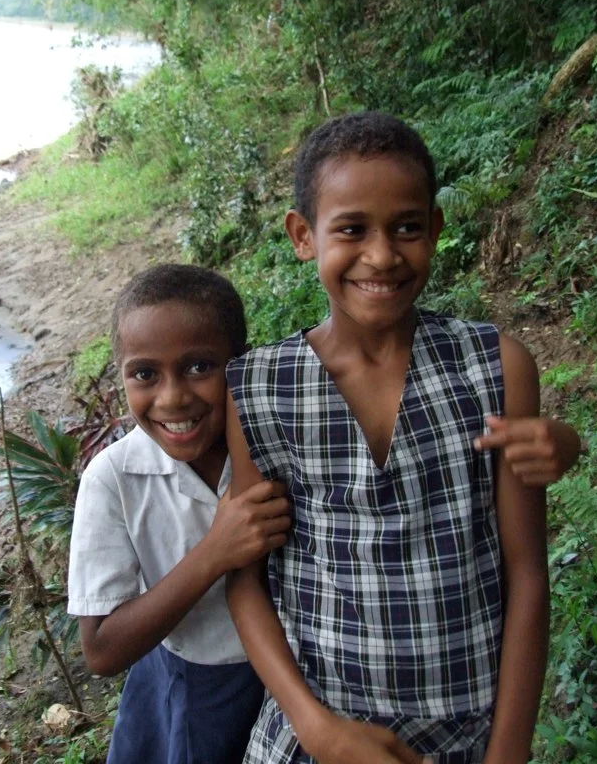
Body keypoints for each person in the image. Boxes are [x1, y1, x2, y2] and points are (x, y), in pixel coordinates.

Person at [225, 111, 564, 764]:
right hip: (313, 738)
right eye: (351, 229)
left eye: (407, 227)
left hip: (464, 735)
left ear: (435, 229)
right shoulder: (261, 389)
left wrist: (508, 752)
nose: (382, 255)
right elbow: (246, 581)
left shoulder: (494, 368)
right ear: (303, 235)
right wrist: (318, 728)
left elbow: (527, 573)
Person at [67, 264, 290, 764]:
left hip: (298, 679)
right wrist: (213, 554)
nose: (172, 398)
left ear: (241, 362)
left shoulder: (278, 447)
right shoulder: (113, 479)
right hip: (193, 690)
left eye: (199, 367)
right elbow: (101, 649)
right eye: (145, 374)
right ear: (120, 375)